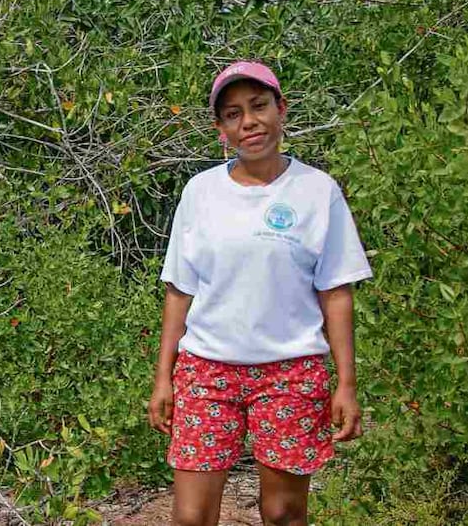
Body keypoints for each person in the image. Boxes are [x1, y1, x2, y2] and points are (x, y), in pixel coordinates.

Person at [147, 61, 373, 526]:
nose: (248, 122)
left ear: (280, 109)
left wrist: (346, 384)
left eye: (258, 106)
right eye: (233, 114)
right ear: (221, 129)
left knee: (284, 513)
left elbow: (336, 292)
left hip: (291, 373)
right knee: (191, 517)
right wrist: (164, 377)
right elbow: (179, 290)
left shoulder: (317, 191)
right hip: (207, 371)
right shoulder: (201, 192)